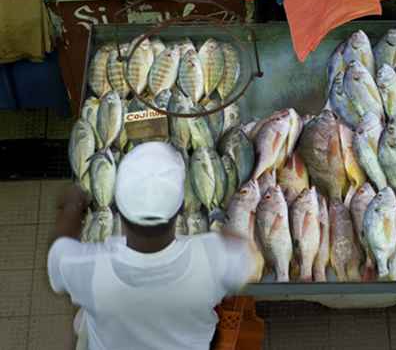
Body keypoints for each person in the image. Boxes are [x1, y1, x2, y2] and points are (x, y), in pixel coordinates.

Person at [48, 141, 253, 350]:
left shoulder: (89, 268)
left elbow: (57, 253)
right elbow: (244, 255)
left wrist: (72, 208)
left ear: (117, 205)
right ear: (181, 207)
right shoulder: (214, 259)